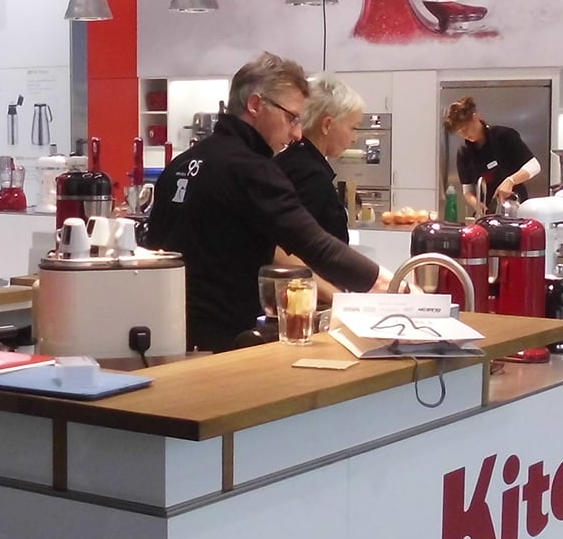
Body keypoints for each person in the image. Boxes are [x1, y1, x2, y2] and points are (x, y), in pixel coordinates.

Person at [145, 52, 392, 351]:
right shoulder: (250, 170)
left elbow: (154, 248)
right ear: (255, 105)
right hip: (224, 344)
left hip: (167, 338)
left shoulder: (181, 164)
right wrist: (388, 285)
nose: (296, 133)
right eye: (292, 118)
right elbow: (314, 244)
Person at [274, 74, 363, 243]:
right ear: (327, 125)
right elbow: (294, 243)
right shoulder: (310, 176)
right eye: (353, 128)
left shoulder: (293, 160)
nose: (354, 138)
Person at [448, 97, 541, 217]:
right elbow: (467, 190)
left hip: (514, 209)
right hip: (487, 215)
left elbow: (534, 166)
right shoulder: (464, 152)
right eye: (460, 132)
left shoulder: (504, 136)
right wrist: (477, 204)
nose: (465, 134)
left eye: (465, 128)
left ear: (476, 117)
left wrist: (510, 181)